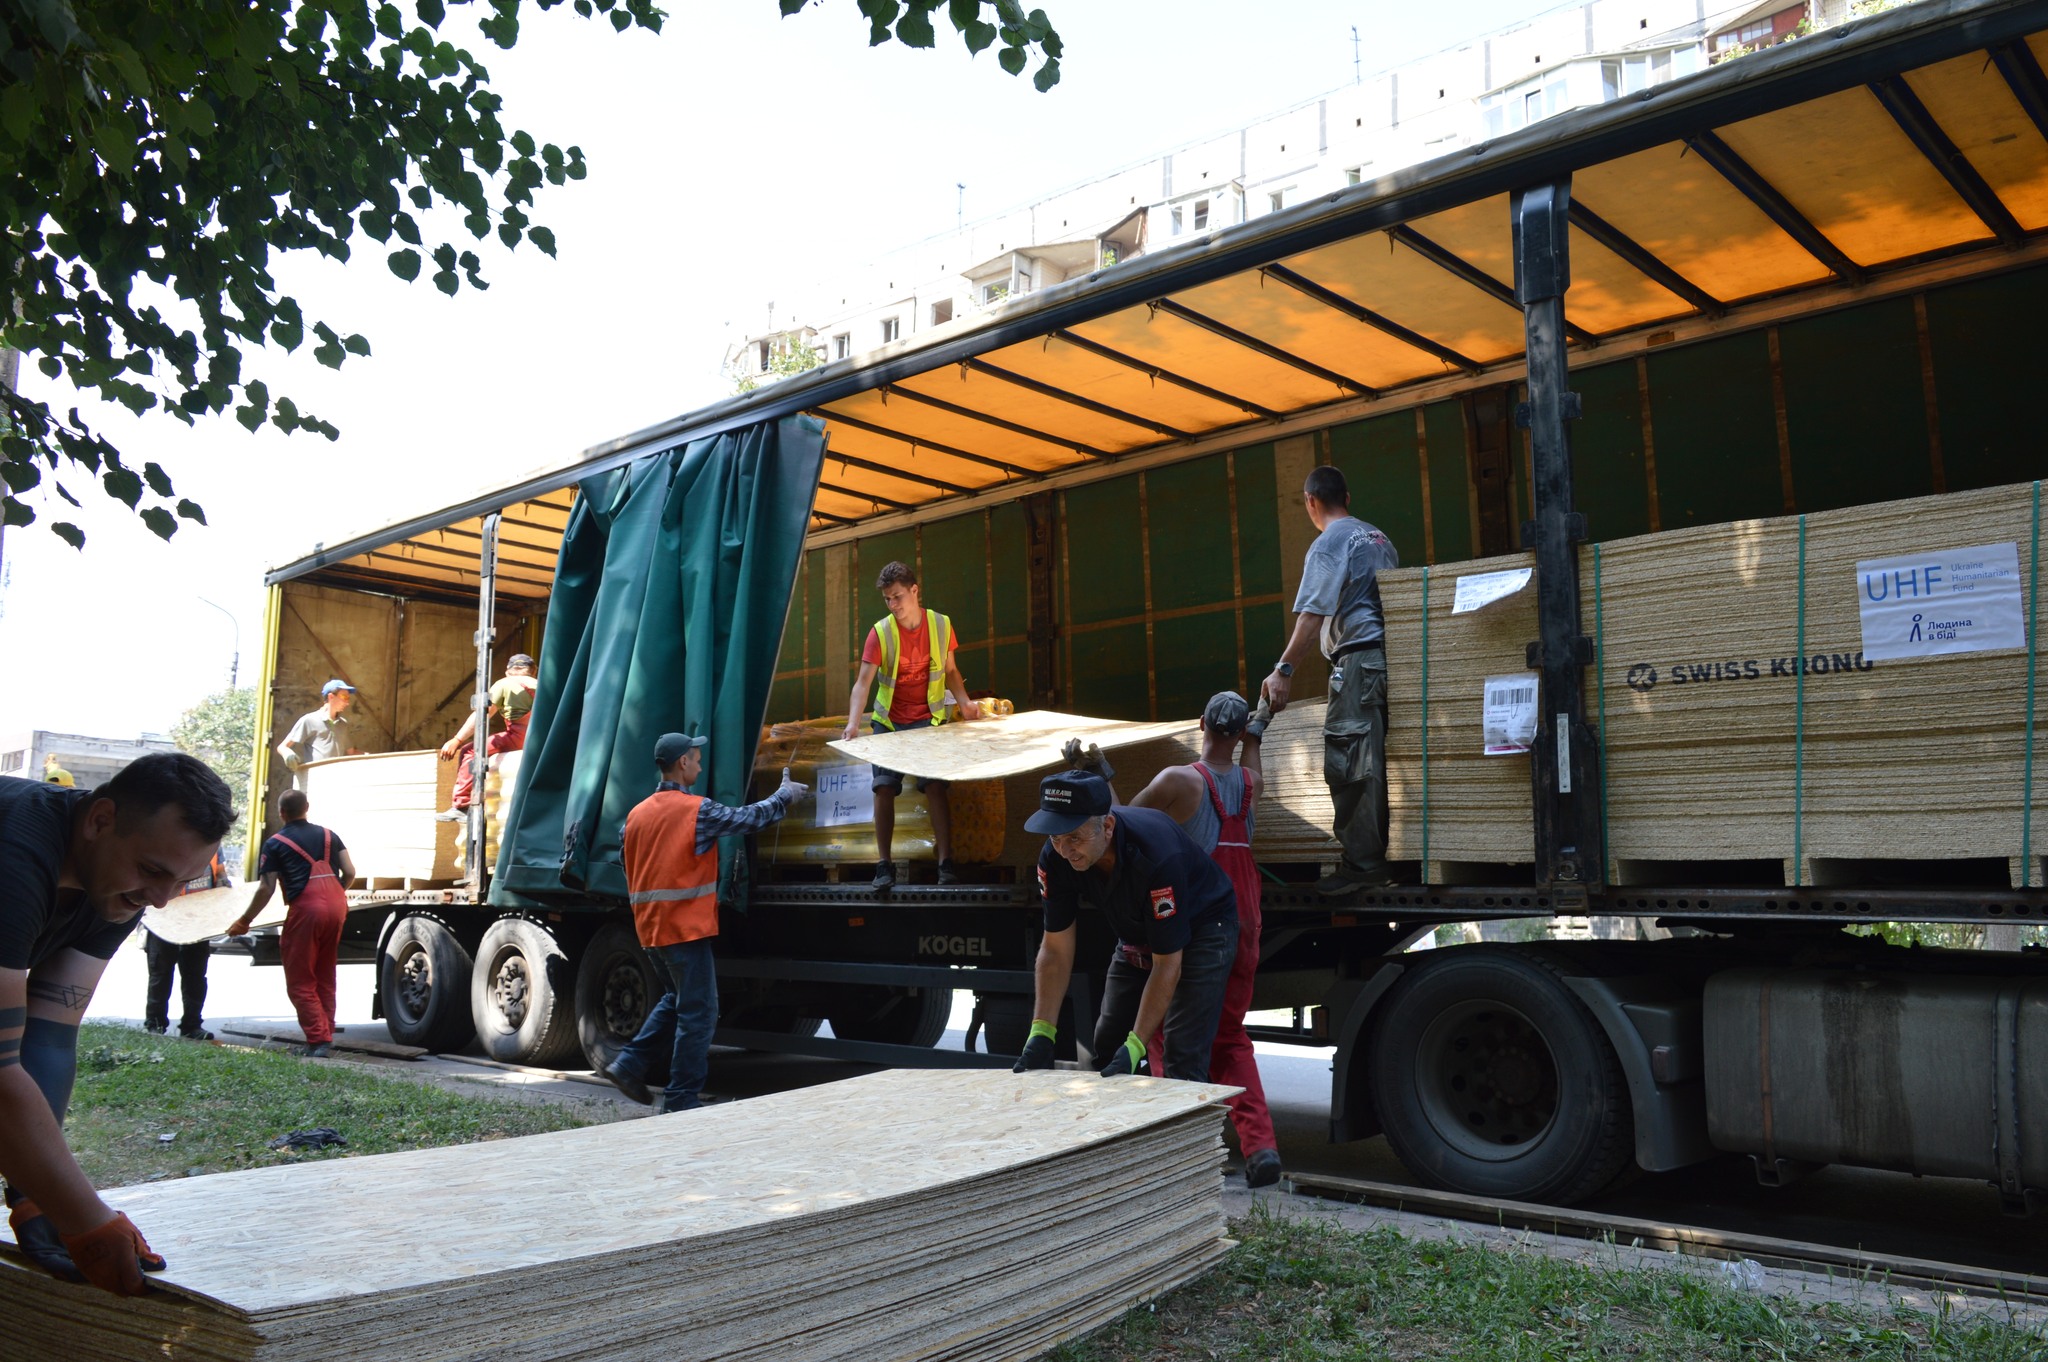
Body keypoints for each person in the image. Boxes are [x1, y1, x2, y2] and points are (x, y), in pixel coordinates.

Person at [0, 752, 233, 1296]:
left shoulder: (114, 884)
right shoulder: (14, 860)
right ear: (100, 820)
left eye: (180, 881)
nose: (160, 901)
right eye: (153, 872)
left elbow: (48, 1038)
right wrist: (85, 1220)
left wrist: (36, 1195)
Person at [601, 733, 807, 1114]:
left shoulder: (634, 816)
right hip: (685, 930)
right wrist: (783, 796)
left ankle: (629, 1064)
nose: (699, 764)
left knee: (677, 1000)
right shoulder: (695, 811)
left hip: (651, 931)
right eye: (696, 759)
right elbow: (747, 819)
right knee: (700, 1014)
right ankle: (681, 1099)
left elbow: (628, 867)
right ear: (682, 763)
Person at [1129, 691, 1281, 1187]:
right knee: (1230, 1034)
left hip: (1197, 923)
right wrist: (1258, 728)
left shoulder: (1179, 781)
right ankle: (1261, 1148)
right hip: (1244, 921)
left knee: (1164, 1031)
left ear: (1201, 724)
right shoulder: (1252, 784)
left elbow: (1125, 823)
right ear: (1237, 735)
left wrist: (1098, 775)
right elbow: (1251, 758)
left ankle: (1176, 1147)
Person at [1011, 769, 1239, 1083]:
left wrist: (1136, 1046)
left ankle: (1186, 1111)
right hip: (1138, 930)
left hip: (1204, 927)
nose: (1064, 850)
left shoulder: (1157, 856)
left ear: (1107, 826)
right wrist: (1042, 1031)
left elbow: (1167, 963)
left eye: (1074, 837)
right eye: (1055, 837)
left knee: (1182, 1056)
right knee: (1107, 1047)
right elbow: (1056, 948)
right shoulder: (1056, 858)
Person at [1260, 464, 1400, 895]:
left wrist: (1284, 670)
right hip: (1389, 658)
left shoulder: (1328, 543)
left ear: (1311, 502)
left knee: (1350, 762)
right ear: (1348, 498)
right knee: (1374, 759)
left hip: (1357, 660)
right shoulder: (1379, 538)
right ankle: (1376, 857)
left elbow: (1312, 615)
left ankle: (1362, 866)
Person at [840, 560, 980, 889]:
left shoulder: (941, 625)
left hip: (927, 720)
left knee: (935, 786)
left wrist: (965, 703)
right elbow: (863, 683)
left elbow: (951, 671)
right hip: (889, 722)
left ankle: (945, 862)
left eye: (898, 597)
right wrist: (852, 724)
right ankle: (884, 865)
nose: (893, 604)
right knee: (883, 787)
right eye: (887, 599)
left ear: (915, 591)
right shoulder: (880, 632)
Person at [227, 791, 353, 1057]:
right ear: (307, 807)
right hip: (337, 905)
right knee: (325, 973)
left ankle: (318, 1040)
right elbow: (350, 872)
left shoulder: (275, 843)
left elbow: (266, 888)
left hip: (306, 910)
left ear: (281, 812)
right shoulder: (330, 835)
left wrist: (244, 920)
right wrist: (336, 893)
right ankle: (326, 1032)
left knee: (300, 979)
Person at [436, 654, 538, 821]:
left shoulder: (504, 684)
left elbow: (482, 715)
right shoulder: (544, 685)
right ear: (534, 671)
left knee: (470, 751)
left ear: (508, 671)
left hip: (519, 737)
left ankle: (462, 805)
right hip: (543, 739)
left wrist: (457, 739)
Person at [142, 850, 228, 1042]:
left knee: (195, 976)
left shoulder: (214, 848)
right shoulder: (170, 841)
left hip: (198, 921)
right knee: (160, 974)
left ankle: (192, 1025)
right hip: (164, 918)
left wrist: (223, 885)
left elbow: (220, 873)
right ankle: (155, 1024)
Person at [276, 678, 365, 790]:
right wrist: (288, 754)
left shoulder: (343, 724)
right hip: (315, 783)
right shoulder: (309, 720)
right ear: (331, 697)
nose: (347, 702)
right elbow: (282, 747)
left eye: (348, 698)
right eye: (344, 697)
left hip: (336, 784)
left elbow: (351, 752)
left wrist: (369, 756)